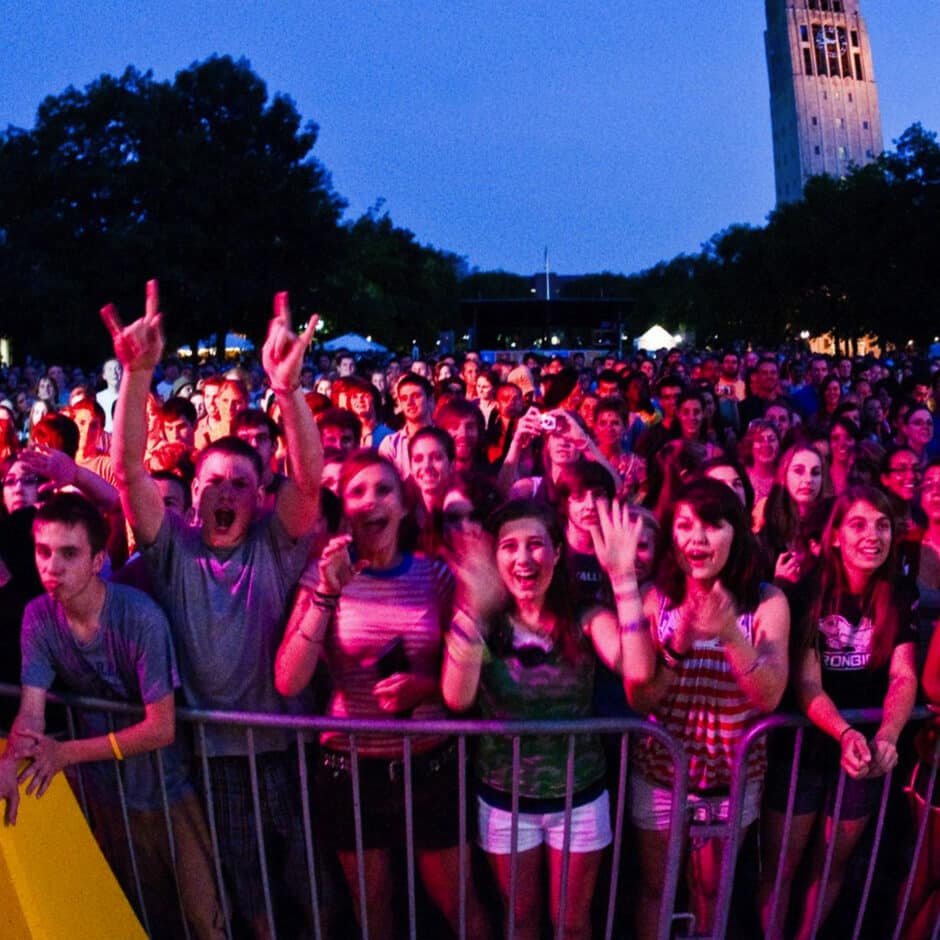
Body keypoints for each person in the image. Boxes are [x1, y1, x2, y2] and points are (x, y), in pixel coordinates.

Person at [107, 282, 325, 939]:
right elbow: (128, 476)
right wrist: (137, 378)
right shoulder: (172, 551)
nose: (225, 492)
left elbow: (310, 479)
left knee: (312, 886)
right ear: (193, 497)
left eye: (241, 483)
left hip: (289, 749)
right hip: (220, 756)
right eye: (212, 483)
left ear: (261, 497)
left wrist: (286, 393)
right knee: (250, 892)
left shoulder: (275, 542)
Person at [275, 449, 490, 939]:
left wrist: (429, 684)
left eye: (383, 490)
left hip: (429, 764)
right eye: (357, 492)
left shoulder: (433, 576)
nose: (370, 500)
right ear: (345, 509)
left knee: (460, 906)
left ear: (403, 506)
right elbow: (288, 680)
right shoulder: (320, 576)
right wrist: (326, 595)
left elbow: (479, 664)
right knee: (373, 911)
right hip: (350, 770)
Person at [7, 492, 224, 939]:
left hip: (169, 789)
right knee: (142, 916)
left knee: (205, 918)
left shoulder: (139, 617)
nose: (51, 567)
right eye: (43, 552)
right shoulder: (37, 616)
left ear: (97, 559)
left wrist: (65, 753)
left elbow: (161, 727)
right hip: (108, 794)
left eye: (69, 553)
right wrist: (11, 760)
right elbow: (32, 710)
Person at [443, 497, 643, 940]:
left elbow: (634, 666)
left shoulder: (584, 615)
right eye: (509, 547)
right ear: (496, 558)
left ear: (556, 551)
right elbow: (456, 698)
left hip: (581, 796)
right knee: (521, 919)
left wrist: (624, 579)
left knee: (571, 923)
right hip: (504, 799)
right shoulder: (487, 622)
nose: (523, 558)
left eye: (536, 544)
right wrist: (473, 611)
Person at [622, 478, 789, 940]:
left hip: (731, 780)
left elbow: (770, 695)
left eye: (713, 525)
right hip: (660, 774)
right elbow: (642, 698)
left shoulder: (767, 601)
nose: (697, 538)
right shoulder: (659, 599)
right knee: (656, 890)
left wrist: (731, 634)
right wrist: (677, 644)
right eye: (685, 525)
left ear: (736, 532)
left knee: (712, 894)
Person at [758, 486, 918, 940]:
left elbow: (903, 675)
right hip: (803, 746)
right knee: (782, 867)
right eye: (859, 524)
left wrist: (886, 735)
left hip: (864, 751)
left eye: (883, 525)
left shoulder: (899, 591)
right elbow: (807, 683)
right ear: (834, 537)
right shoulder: (809, 589)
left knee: (832, 865)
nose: (873, 536)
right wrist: (846, 732)